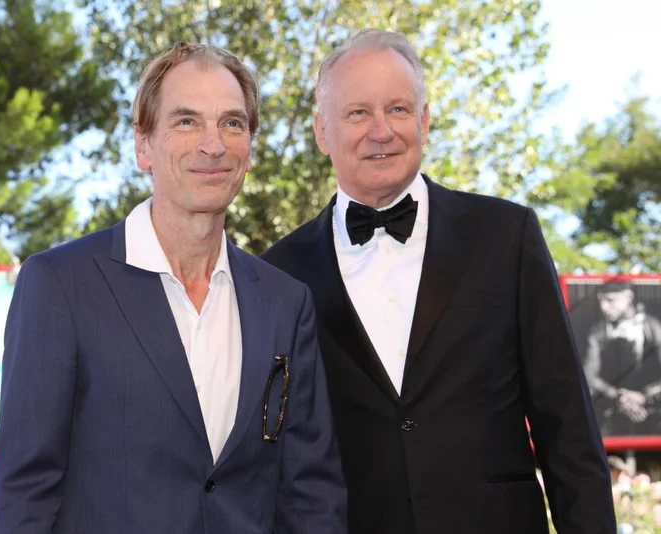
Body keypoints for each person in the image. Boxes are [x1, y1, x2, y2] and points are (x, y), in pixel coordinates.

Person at [262, 29, 615, 533]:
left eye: (399, 109)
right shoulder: (278, 272)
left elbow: (568, 428)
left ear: (424, 120)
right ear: (322, 131)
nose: (381, 130)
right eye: (358, 113)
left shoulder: (507, 236)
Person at [0, 41, 347, 534]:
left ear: (249, 146)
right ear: (143, 145)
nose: (213, 144)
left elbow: (311, 495)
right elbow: (24, 492)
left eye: (232, 123)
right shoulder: (60, 285)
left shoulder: (285, 301)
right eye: (186, 121)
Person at [584, 281, 661, 435]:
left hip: (654, 411)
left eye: (610, 300)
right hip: (611, 411)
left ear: (629, 297)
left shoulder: (653, 327)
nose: (604, 307)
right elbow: (589, 375)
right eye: (601, 301)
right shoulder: (598, 332)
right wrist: (618, 396)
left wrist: (645, 397)